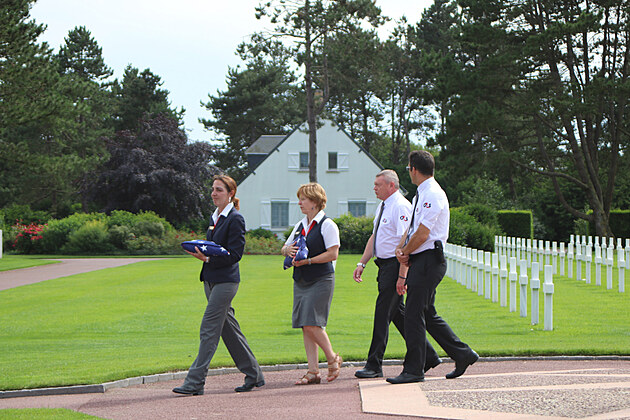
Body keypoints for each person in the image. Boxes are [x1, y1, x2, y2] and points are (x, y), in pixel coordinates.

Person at [387, 151, 478, 384]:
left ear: (414, 169)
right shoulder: (421, 194)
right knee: (426, 312)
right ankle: (462, 353)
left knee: (413, 315)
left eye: (409, 169)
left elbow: (424, 233)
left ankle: (414, 369)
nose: (409, 172)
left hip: (429, 260)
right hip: (422, 259)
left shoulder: (433, 194)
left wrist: (405, 252)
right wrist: (402, 249)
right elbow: (411, 229)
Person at [173, 174, 265, 395]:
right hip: (211, 280)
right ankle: (254, 375)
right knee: (229, 329)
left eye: (219, 190)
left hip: (226, 281)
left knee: (209, 329)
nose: (213, 193)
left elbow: (235, 254)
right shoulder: (215, 217)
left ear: (231, 193)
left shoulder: (235, 219)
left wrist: (207, 259)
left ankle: (195, 382)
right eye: (213, 189)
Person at [353, 170, 442, 379]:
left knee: (382, 315)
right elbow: (375, 236)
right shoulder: (383, 206)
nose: (374, 188)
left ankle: (374, 364)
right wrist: (362, 262)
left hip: (395, 266)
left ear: (391, 186)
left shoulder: (401, 206)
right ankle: (428, 355)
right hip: (383, 266)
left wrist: (403, 276)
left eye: (378, 184)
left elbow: (405, 242)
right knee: (397, 315)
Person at [281, 182, 343, 385]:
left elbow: (333, 253)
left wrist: (308, 261)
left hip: (321, 279)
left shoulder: (327, 225)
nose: (299, 202)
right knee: (305, 325)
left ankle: (332, 358)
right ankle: (313, 371)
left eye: (303, 199)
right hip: (301, 279)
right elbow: (285, 247)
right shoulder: (301, 225)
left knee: (312, 323)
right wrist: (287, 251)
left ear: (315, 202)